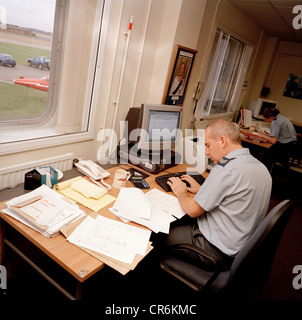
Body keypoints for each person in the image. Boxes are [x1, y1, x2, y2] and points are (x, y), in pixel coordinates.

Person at [166, 119, 272, 271]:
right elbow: (233, 194)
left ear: (222, 141)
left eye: (208, 145)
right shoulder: (260, 167)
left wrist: (181, 192)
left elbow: (193, 210)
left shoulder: (226, 168)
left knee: (167, 231)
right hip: (241, 248)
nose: (206, 152)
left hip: (216, 252)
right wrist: (203, 190)